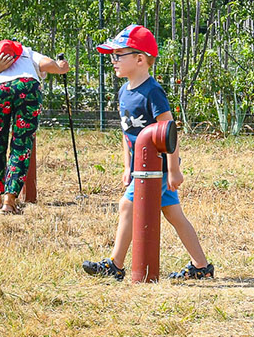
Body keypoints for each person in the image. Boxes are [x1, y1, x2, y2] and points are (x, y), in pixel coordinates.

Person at [82, 25, 214, 281]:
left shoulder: (152, 91)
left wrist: (174, 169)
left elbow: (169, 131)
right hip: (140, 167)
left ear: (140, 59)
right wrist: (127, 167)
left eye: (118, 55)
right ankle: (201, 266)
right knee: (173, 214)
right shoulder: (124, 92)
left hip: (158, 167)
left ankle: (115, 265)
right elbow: (126, 133)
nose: (113, 61)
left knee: (126, 205)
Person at [0, 39, 70, 214]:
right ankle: (10, 201)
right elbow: (47, 63)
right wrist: (60, 67)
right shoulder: (26, 52)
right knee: (22, 144)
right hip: (28, 88)